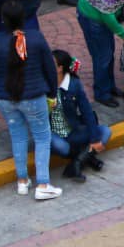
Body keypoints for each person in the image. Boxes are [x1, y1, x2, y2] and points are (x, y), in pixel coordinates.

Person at [0, 0, 62, 199]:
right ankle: (43, 183)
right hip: (34, 96)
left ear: (3, 19)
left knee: (17, 136)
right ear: (24, 18)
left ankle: (22, 181)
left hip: (4, 98)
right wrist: (52, 93)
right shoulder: (35, 38)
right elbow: (50, 69)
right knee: (42, 136)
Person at [49, 49, 110, 181]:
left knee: (105, 131)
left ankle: (76, 163)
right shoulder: (44, 84)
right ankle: (88, 159)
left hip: (73, 132)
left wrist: (94, 138)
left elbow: (86, 111)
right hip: (53, 134)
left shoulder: (74, 85)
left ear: (60, 68)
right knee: (61, 146)